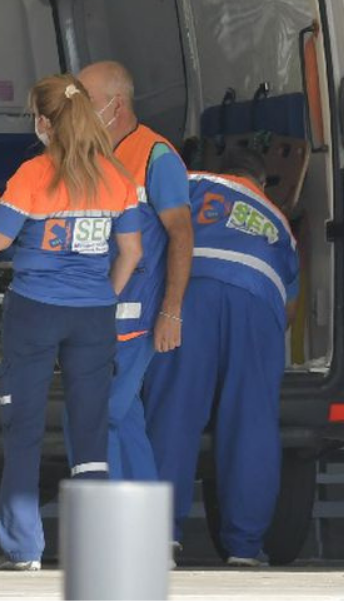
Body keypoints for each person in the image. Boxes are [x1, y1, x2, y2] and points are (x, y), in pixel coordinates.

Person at [0, 74, 144, 571]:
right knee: (89, 432)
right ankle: (95, 550)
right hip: (93, 318)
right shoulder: (116, 177)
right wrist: (101, 297)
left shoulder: (33, 175)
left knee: (23, 428)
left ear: (44, 123)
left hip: (35, 312)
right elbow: (131, 251)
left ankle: (23, 549)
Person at [143, 151, 300, 567]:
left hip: (188, 289)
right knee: (251, 421)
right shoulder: (277, 218)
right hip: (258, 300)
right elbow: (288, 310)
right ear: (259, 182)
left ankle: (159, 540)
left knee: (172, 412)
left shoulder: (189, 179)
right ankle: (244, 549)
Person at [78, 61, 193, 482]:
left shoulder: (156, 157)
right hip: (100, 312)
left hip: (135, 316)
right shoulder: (94, 156)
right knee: (124, 422)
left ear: (116, 103)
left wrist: (172, 311)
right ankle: (148, 538)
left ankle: (108, 535)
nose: (77, 109)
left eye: (85, 100)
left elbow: (181, 234)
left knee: (95, 414)